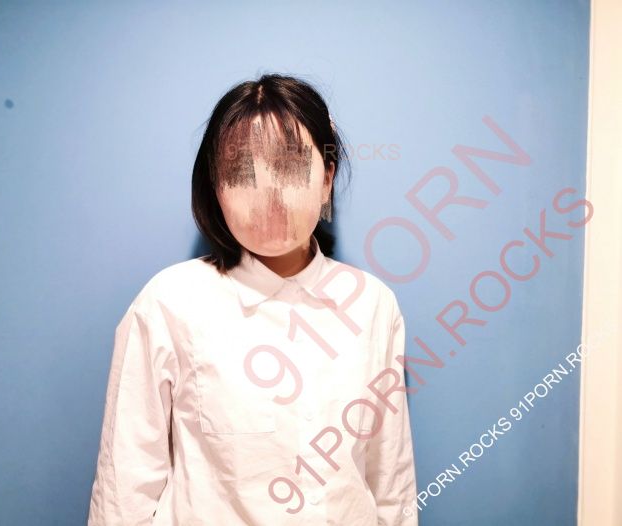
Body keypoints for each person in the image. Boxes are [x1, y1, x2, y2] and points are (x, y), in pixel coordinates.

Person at [87, 73, 418, 525]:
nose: (269, 196)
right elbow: (123, 490)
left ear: (326, 180)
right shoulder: (170, 303)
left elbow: (391, 482)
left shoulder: (372, 305)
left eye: (290, 168)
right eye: (242, 173)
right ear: (215, 189)